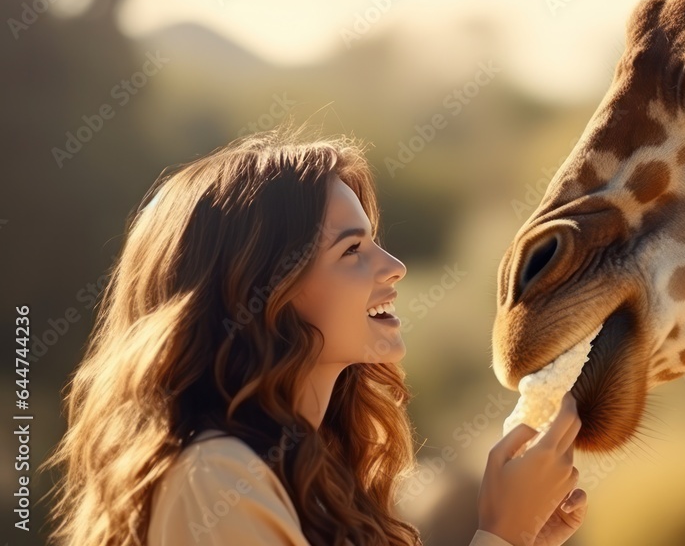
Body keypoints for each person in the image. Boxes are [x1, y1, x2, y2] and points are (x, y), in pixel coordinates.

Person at [42, 124, 588, 546]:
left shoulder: (317, 477)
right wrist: (502, 533)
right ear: (258, 291)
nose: (394, 266)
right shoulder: (213, 479)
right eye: (351, 250)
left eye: (375, 242)